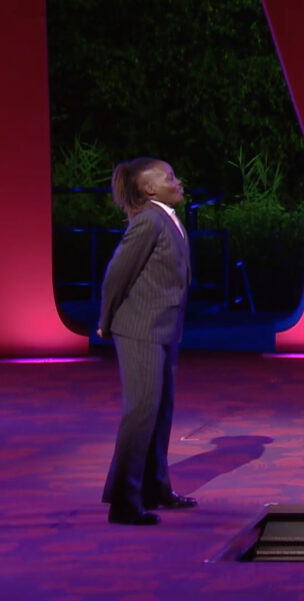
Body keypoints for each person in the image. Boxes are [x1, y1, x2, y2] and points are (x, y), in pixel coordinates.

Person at [98, 157, 195, 525]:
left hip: (164, 327)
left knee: (160, 410)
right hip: (140, 328)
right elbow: (116, 274)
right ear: (149, 189)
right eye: (169, 177)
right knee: (140, 412)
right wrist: (105, 321)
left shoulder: (166, 217)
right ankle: (124, 501)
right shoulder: (148, 221)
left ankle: (154, 487)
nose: (177, 180)